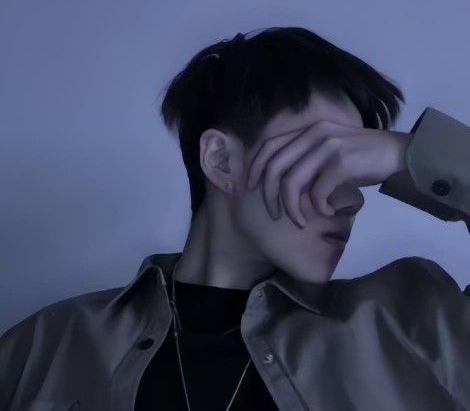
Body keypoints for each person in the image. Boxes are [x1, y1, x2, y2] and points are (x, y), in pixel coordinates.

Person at [1, 27, 470, 411]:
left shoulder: (416, 324)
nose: (352, 200)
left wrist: (409, 154)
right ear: (221, 161)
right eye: (317, 156)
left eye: (357, 164)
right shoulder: (44, 345)